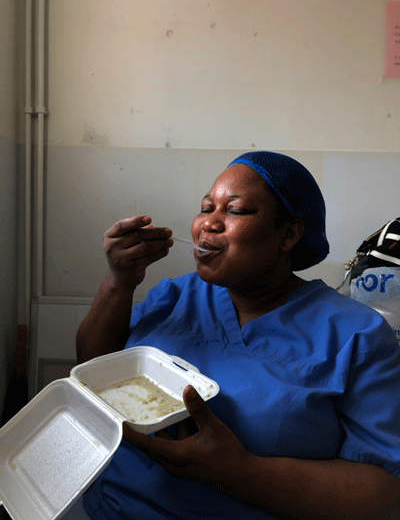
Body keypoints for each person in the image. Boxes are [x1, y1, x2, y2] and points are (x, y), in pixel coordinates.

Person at [75, 152, 400, 520]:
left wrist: (239, 472)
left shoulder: (355, 335)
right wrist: (119, 282)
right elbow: (91, 369)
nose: (208, 224)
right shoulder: (174, 297)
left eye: (236, 210)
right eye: (205, 208)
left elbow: (385, 495)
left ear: (288, 234)